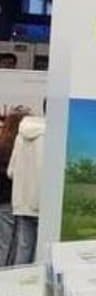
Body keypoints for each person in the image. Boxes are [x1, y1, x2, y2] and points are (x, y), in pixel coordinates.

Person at [6, 111, 43, 265]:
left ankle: (18, 279)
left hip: (21, 202)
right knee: (41, 253)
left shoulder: (20, 135)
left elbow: (10, 172)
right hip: (42, 203)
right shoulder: (52, 134)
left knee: (23, 249)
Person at [0, 110, 26, 266]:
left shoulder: (1, 148)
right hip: (13, 201)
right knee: (13, 244)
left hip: (2, 202)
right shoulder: (20, 150)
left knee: (3, 243)